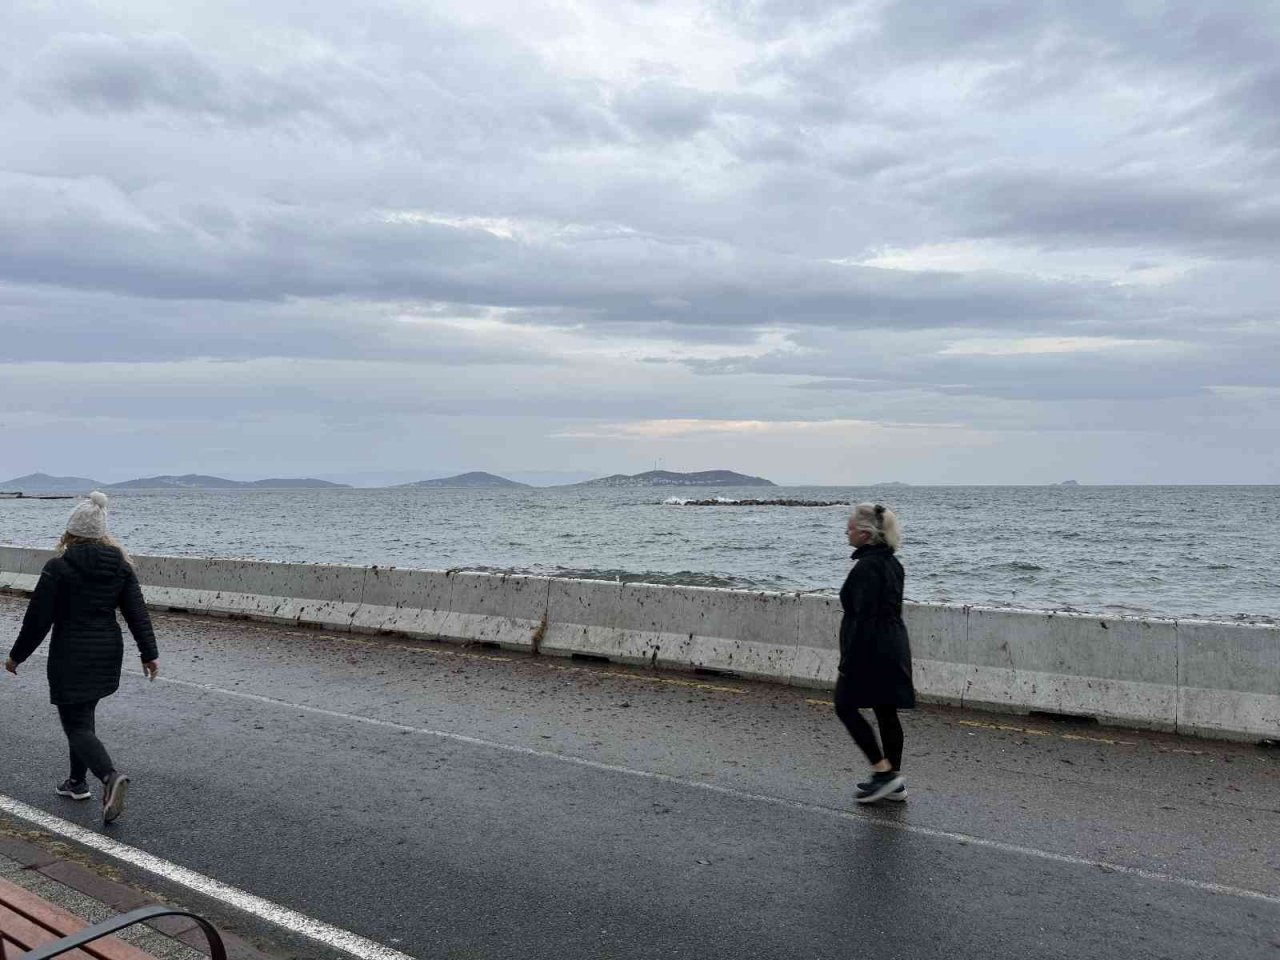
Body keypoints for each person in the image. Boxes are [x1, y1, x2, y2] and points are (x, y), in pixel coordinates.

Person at [4, 492, 158, 824]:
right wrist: (149, 653)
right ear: (102, 532)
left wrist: (17, 656)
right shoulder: (120, 565)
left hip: (71, 653)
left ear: (71, 532)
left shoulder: (58, 567)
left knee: (74, 724)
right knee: (83, 719)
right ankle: (76, 783)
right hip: (106, 652)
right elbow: (137, 612)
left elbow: (38, 619)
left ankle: (109, 776)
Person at [834, 502, 915, 803]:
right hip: (894, 644)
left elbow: (863, 618)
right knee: (885, 710)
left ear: (866, 534)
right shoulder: (893, 564)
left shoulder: (867, 567)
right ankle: (895, 780)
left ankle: (884, 774)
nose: (847, 531)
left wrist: (849, 660)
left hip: (872, 648)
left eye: (852, 527)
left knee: (844, 705)